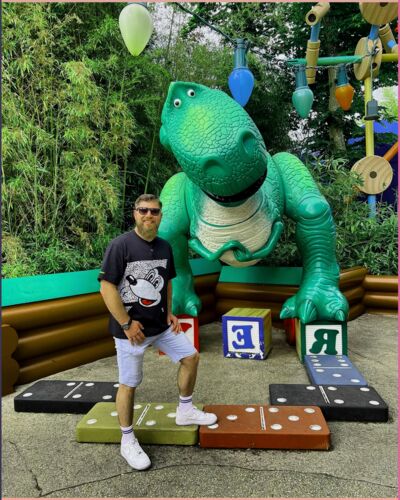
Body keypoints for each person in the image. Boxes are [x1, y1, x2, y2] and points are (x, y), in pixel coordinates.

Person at [98, 194, 217, 471]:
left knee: (191, 357)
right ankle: (127, 440)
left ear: (160, 216)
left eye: (154, 211)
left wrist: (169, 312)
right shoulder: (120, 246)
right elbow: (106, 287)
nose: (148, 215)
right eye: (143, 210)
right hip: (131, 331)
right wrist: (126, 323)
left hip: (160, 326)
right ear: (135, 213)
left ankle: (185, 410)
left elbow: (167, 281)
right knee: (129, 384)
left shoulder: (164, 246)